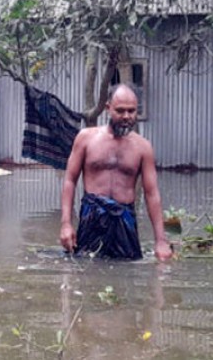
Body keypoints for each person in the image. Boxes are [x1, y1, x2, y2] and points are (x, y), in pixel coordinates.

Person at [59, 83, 172, 261]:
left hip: (125, 219)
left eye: (132, 111)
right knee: (85, 270)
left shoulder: (143, 147)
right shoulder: (86, 138)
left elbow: (151, 194)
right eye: (120, 111)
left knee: (128, 273)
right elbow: (70, 180)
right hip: (92, 216)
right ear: (107, 108)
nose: (126, 116)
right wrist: (66, 224)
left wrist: (161, 240)